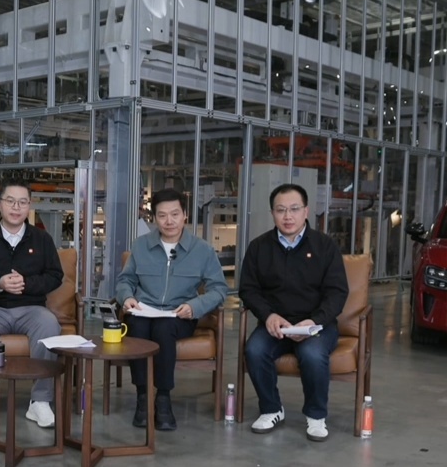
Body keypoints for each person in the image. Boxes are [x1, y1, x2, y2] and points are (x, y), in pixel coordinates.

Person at [239, 183, 348, 442]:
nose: (288, 216)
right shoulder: (259, 247)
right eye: (281, 210)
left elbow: (337, 292)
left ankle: (316, 416)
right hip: (275, 325)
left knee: (312, 354)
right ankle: (271, 409)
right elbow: (248, 289)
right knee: (254, 350)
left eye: (294, 209)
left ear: (306, 211)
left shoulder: (324, 246)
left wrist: (314, 321)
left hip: (316, 325)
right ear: (272, 213)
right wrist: (268, 316)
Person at [115, 188, 228, 431]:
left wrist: (194, 307)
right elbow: (125, 280)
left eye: (175, 214)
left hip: (179, 315)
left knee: (164, 328)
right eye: (162, 215)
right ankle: (143, 396)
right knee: (136, 326)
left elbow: (219, 290)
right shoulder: (141, 246)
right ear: (154, 218)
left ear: (185, 215)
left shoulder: (202, 250)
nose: (169, 221)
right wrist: (127, 298)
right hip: (144, 310)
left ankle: (163, 398)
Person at [0, 177, 63, 428]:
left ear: (29, 205)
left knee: (49, 324)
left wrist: (26, 283)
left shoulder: (42, 239)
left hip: (32, 309)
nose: (16, 207)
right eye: (10, 201)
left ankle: (40, 401)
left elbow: (55, 276)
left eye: (22, 202)